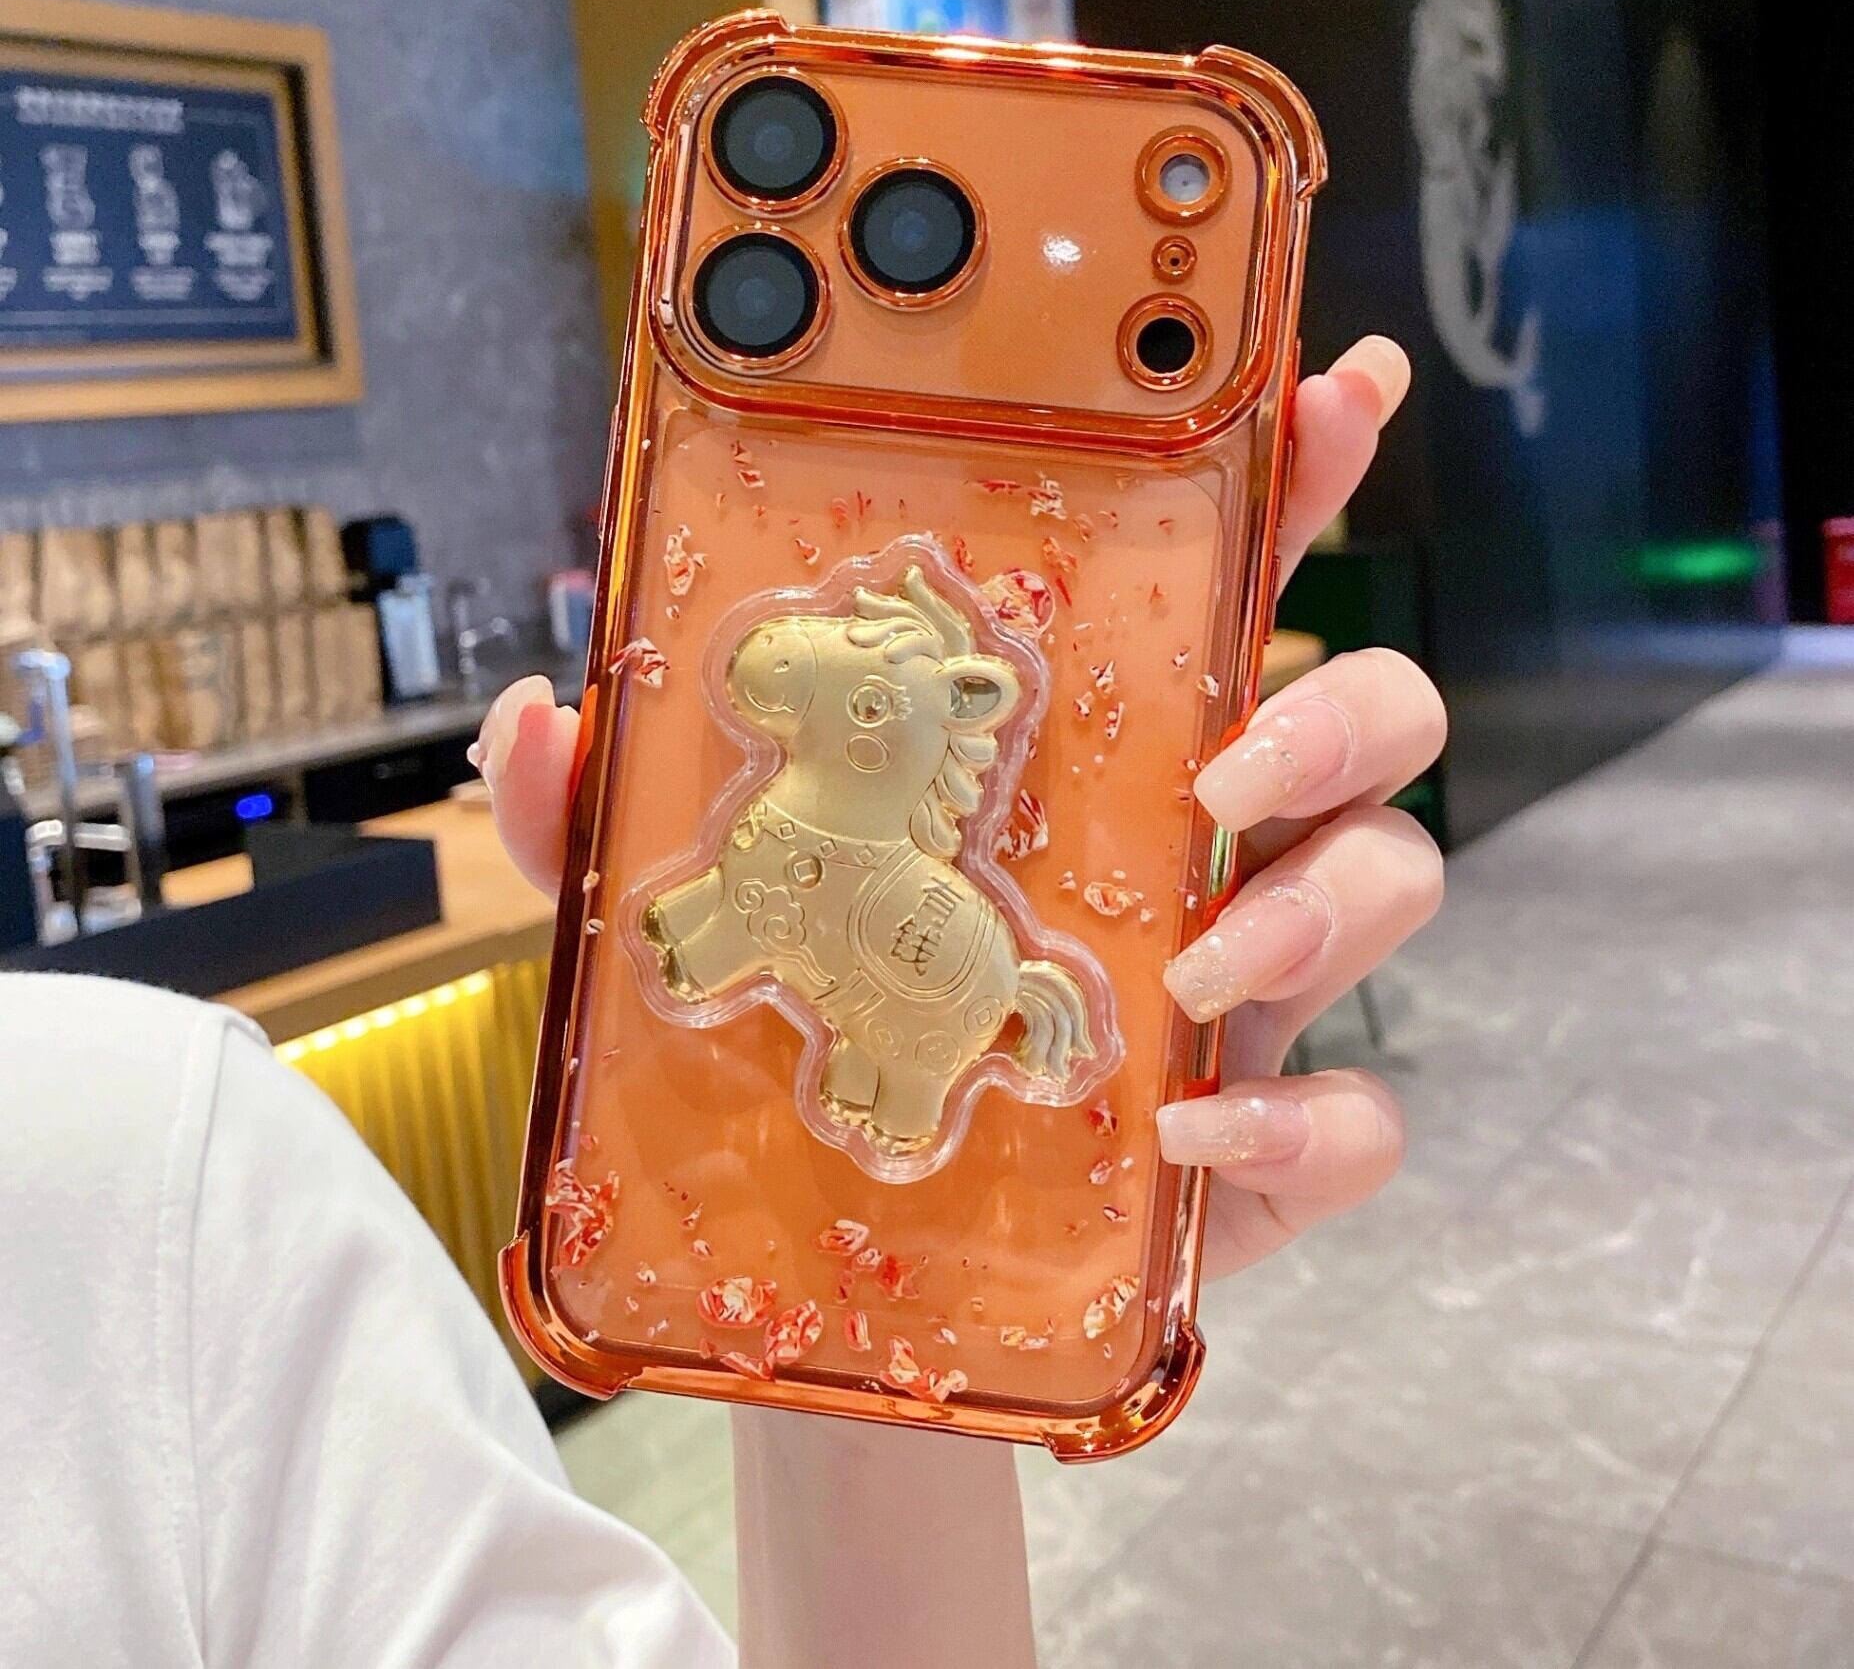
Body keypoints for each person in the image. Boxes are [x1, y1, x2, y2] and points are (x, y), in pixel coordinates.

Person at [0, 336, 1442, 1668]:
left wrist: (876, 1344)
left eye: (856, 689)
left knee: (896, 1060)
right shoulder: (146, 1150)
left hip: (924, 1004)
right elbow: (721, 919)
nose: (790, 672)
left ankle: (907, 1087)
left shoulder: (140, 1165)